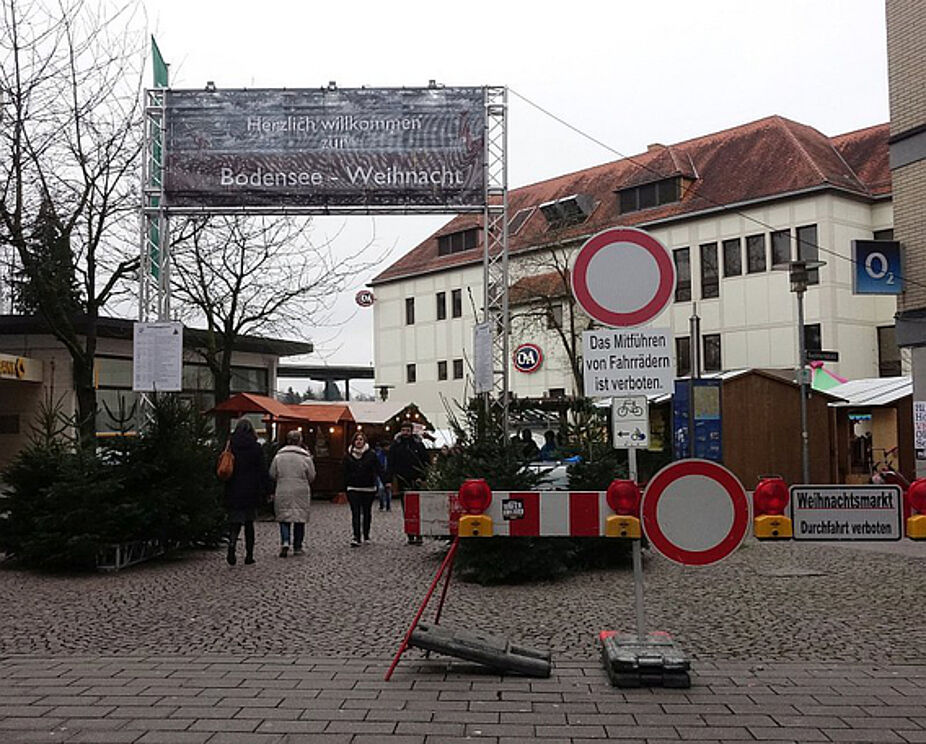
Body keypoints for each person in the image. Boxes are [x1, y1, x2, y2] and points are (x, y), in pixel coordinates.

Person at [224, 418, 271, 566]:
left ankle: (232, 544)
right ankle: (249, 555)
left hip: (234, 487)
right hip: (251, 489)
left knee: (235, 521)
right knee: (249, 523)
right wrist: (268, 489)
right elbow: (263, 470)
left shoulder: (230, 445)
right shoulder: (256, 447)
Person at [269, 429, 316, 557]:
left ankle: (285, 541)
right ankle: (297, 546)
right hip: (301, 490)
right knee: (299, 518)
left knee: (284, 516)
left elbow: (272, 474)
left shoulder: (279, 456)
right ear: (300, 441)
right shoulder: (305, 457)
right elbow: (312, 476)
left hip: (283, 488)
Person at [388, 421, 429, 544]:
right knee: (406, 509)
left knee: (417, 508)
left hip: (416, 480)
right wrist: (389, 480)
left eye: (408, 430)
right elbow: (391, 463)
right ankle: (410, 534)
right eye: (403, 430)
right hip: (402, 480)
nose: (405, 433)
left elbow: (425, 462)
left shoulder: (418, 445)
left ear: (411, 431)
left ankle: (419, 534)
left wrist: (423, 477)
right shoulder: (396, 445)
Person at [343, 430, 383, 547]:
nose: (358, 442)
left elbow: (378, 468)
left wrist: (385, 480)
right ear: (353, 441)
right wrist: (344, 486)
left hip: (368, 487)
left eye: (361, 439)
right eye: (357, 439)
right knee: (355, 513)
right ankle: (356, 536)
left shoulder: (371, 454)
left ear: (364, 441)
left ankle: (366, 534)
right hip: (353, 487)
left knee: (366, 512)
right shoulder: (348, 456)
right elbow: (344, 472)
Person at [374, 441, 391, 512]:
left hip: (388, 473)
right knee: (381, 489)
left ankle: (388, 506)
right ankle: (382, 504)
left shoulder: (390, 455)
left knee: (388, 490)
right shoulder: (378, 455)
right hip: (380, 474)